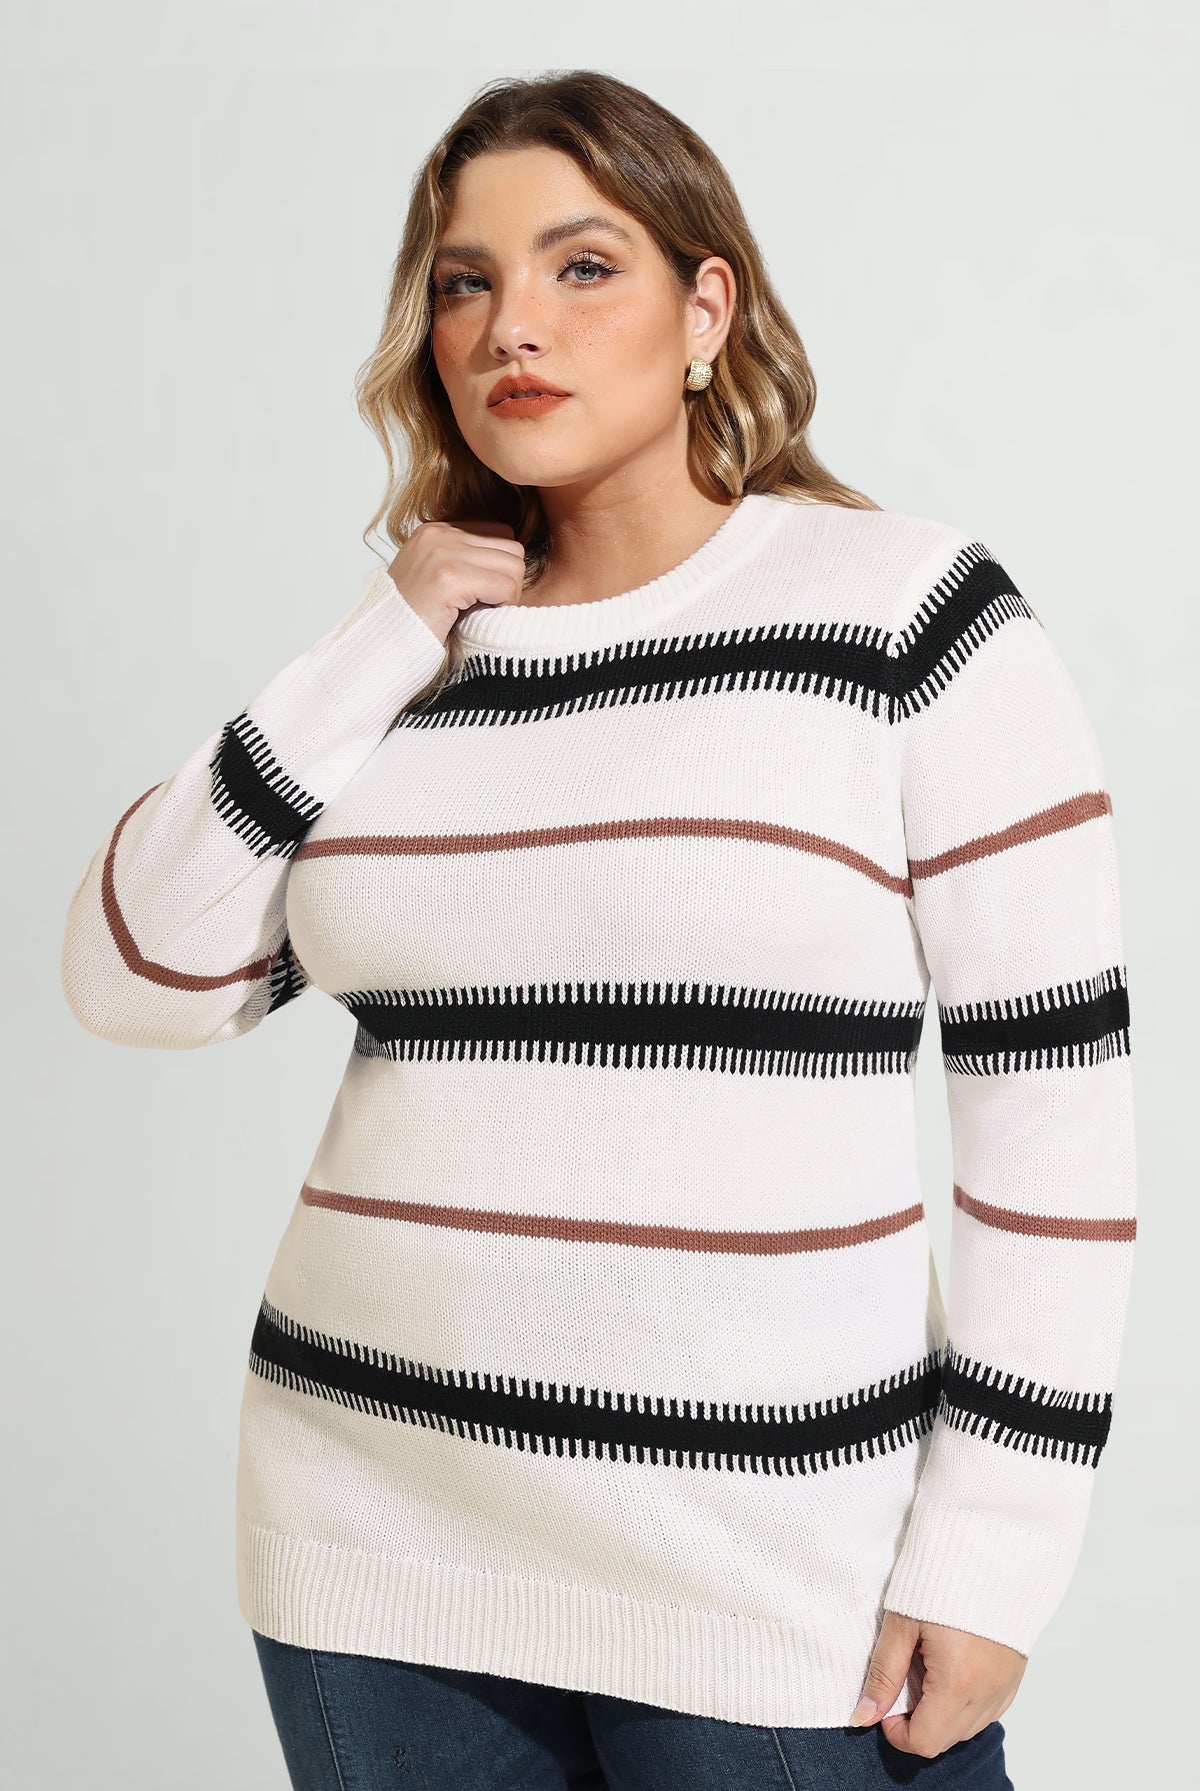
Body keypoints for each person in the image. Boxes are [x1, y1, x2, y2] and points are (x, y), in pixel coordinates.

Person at [60, 68, 1136, 1791]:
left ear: (707, 310)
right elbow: (136, 975)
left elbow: (1054, 1120)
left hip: (767, 1569)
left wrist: (994, 1548)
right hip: (369, 1536)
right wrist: (380, 637)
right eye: (465, 282)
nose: (512, 325)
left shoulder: (907, 617)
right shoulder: (409, 672)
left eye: (582, 266)